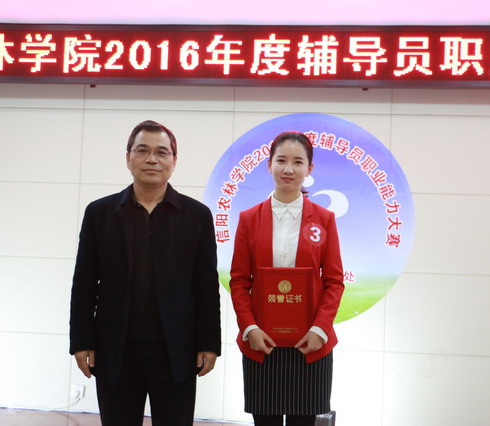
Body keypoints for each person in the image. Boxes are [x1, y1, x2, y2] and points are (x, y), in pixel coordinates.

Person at [69, 120, 221, 426]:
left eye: (161, 152)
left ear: (173, 161)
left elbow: (206, 285)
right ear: (128, 158)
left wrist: (209, 342)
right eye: (142, 150)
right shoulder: (100, 213)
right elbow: (84, 282)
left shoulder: (196, 216)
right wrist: (81, 340)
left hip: (176, 351)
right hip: (115, 351)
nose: (152, 159)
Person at [230, 131, 345, 426]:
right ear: (269, 164)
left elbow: (334, 281)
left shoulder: (325, 219)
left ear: (310, 168)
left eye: (298, 162)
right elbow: (240, 281)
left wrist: (320, 329)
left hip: (310, 343)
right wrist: (250, 328)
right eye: (281, 160)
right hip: (262, 342)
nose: (289, 169)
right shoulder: (248, 218)